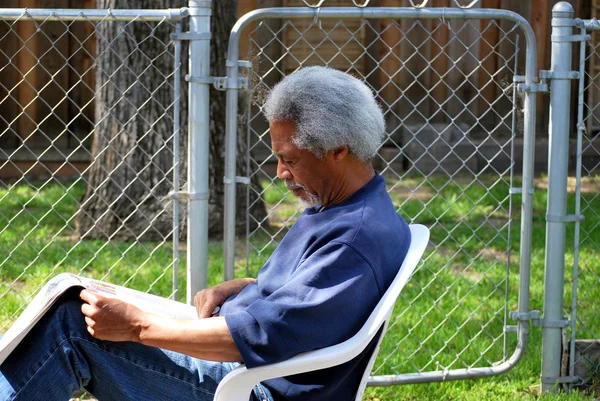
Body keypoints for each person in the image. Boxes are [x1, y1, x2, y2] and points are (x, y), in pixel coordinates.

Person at [0, 66, 411, 401]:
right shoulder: (349, 209)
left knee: (70, 326)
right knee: (70, 308)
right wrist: (245, 286)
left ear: (339, 150)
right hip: (248, 369)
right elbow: (322, 301)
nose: (281, 173)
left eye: (289, 160)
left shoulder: (354, 239)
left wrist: (137, 327)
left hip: (253, 388)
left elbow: (265, 335)